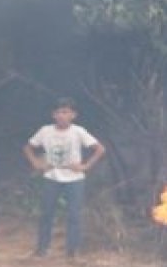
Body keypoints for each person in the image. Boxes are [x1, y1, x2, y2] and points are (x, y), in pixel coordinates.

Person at [23, 98, 106, 258]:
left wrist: (85, 166)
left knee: (74, 215)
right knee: (47, 213)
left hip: (74, 179)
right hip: (51, 177)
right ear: (53, 115)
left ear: (73, 115)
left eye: (66, 112)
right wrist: (36, 163)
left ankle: (72, 251)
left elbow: (100, 149)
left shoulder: (78, 131)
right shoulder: (45, 131)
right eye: (59, 112)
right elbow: (28, 147)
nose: (62, 116)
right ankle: (42, 249)